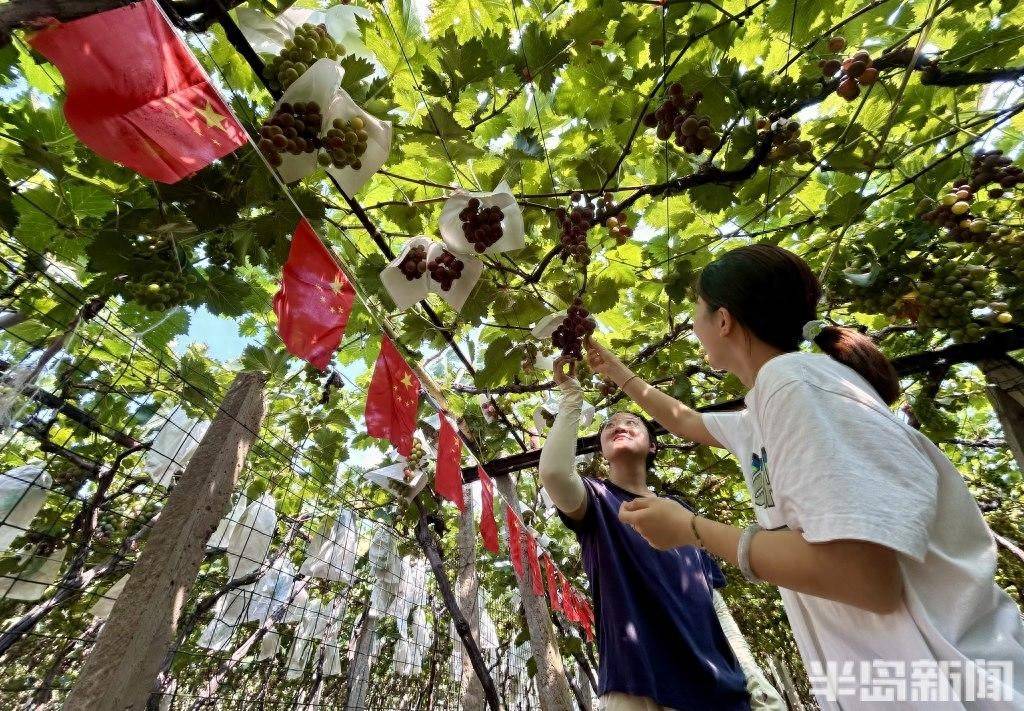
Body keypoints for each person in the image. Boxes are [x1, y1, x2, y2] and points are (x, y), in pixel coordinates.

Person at [588, 243, 1024, 709]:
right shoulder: (771, 403)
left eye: (697, 312)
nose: (694, 328)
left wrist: (691, 529)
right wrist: (618, 373)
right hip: (914, 683)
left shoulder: (794, 385)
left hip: (956, 687)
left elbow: (861, 576)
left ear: (723, 320)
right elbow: (686, 421)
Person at [540, 357, 783, 711]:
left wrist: (752, 675)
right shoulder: (595, 500)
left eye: (631, 421)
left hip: (720, 689)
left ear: (653, 446)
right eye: (609, 425)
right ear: (602, 451)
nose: (618, 425)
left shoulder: (682, 514)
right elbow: (554, 473)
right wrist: (572, 398)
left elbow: (713, 602)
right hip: (637, 688)